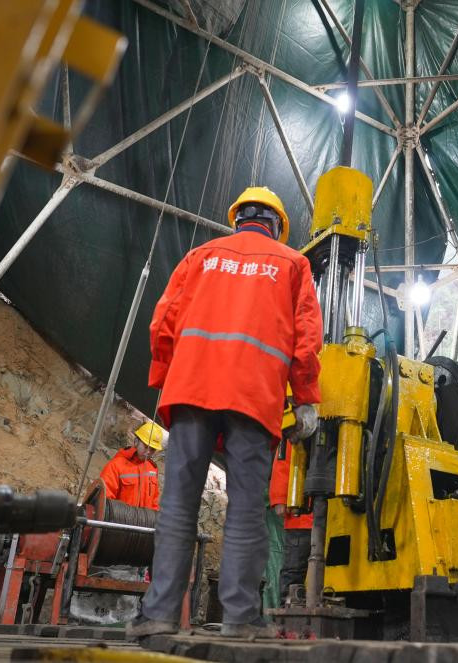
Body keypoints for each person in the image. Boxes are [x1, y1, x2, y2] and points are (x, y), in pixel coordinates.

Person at [127, 187, 322, 640]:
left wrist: (166, 378)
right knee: (246, 509)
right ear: (276, 225)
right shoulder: (293, 264)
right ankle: (240, 619)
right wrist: (307, 397)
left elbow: (163, 323)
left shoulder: (200, 256)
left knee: (177, 504)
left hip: (191, 389)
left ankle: (157, 615)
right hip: (254, 397)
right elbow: (306, 338)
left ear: (238, 219)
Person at [268, 440, 311, 606]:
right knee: (294, 570)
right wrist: (279, 497)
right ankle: (287, 613)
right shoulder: (300, 419)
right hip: (300, 514)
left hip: (333, 518)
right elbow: (283, 457)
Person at [99, 421, 165, 511]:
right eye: (146, 447)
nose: (148, 452)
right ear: (136, 442)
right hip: (119, 523)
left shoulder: (152, 469)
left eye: (152, 449)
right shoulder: (116, 466)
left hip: (143, 523)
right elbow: (104, 500)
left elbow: (154, 501)